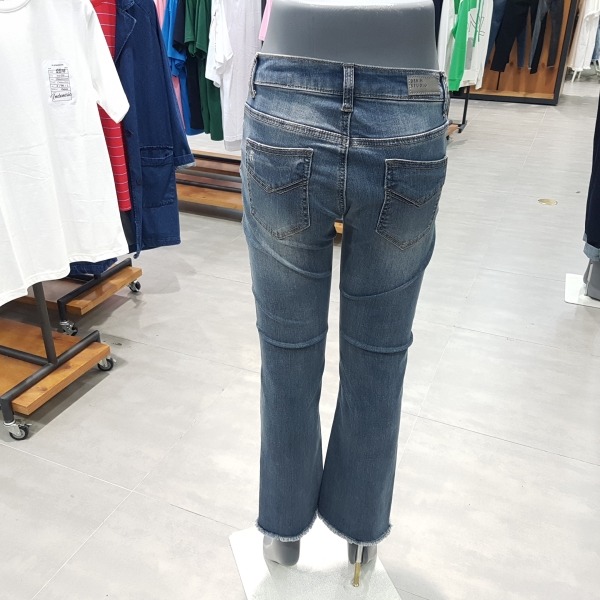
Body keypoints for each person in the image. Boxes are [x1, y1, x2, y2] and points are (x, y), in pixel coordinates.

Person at [241, 0, 449, 586]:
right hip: (407, 100)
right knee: (379, 355)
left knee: (287, 351)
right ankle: (362, 534)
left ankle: (283, 530)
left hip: (288, 92)